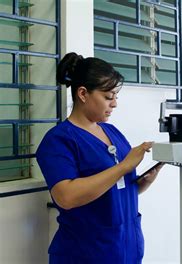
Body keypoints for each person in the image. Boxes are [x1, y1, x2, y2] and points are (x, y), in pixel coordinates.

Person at [36, 52, 163, 263]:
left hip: (125, 249)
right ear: (83, 94)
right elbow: (66, 197)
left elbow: (116, 189)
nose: (114, 104)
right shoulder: (59, 140)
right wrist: (123, 167)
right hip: (85, 254)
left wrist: (142, 182)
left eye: (116, 97)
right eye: (108, 97)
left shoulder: (112, 132)